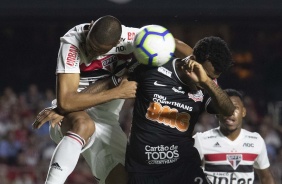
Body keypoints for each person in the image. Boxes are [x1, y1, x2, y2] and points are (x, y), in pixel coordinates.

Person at [32, 16, 193, 184]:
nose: (91, 53)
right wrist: (117, 93)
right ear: (91, 25)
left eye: (98, 51)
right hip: (71, 114)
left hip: (107, 120)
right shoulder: (72, 41)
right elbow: (66, 103)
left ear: (116, 44)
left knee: (127, 179)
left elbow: (174, 44)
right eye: (90, 45)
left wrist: (195, 65)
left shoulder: (135, 39)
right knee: (84, 125)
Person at [125, 36, 235, 184]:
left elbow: (228, 110)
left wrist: (207, 81)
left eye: (212, 77)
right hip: (144, 171)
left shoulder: (206, 85)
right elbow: (115, 80)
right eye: (207, 74)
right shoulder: (154, 65)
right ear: (192, 59)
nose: (206, 79)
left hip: (184, 168)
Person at [193, 89, 275, 184]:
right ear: (217, 113)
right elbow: (184, 173)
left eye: (235, 108)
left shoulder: (256, 141)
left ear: (243, 112)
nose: (230, 112)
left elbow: (266, 177)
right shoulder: (201, 140)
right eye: (225, 107)